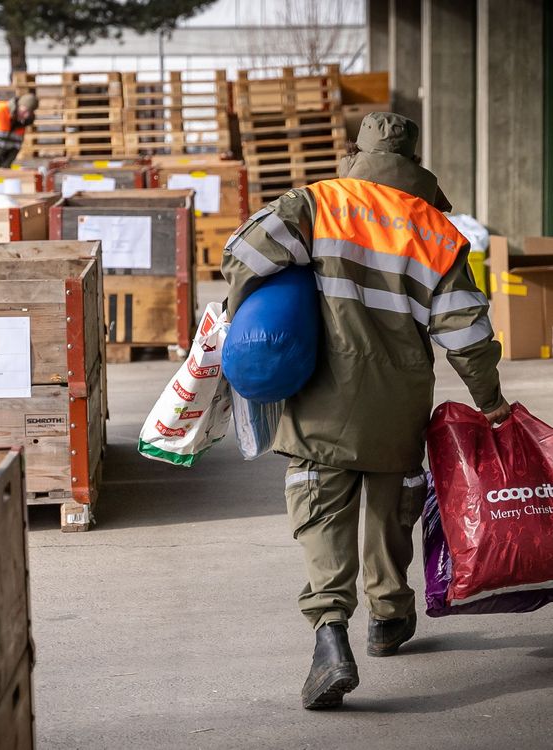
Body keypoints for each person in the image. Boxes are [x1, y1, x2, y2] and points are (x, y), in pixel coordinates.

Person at [221, 112, 510, 711]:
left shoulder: (316, 203)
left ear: (358, 152)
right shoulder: (435, 231)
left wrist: (253, 311)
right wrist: (491, 402)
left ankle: (330, 637)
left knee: (320, 511)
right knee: (390, 508)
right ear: (412, 161)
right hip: (397, 400)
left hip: (320, 392)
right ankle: (388, 616)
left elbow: (243, 252)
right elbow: (467, 332)